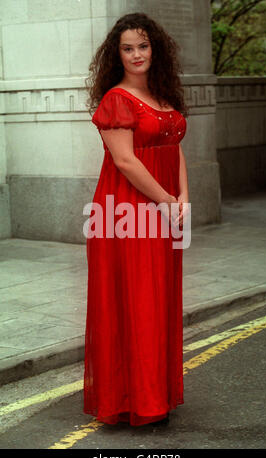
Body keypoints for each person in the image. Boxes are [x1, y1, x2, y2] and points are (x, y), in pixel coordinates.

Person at [84, 12, 190, 427]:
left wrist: (184, 199)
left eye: (143, 46)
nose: (136, 54)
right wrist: (166, 200)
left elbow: (175, 148)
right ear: (118, 54)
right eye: (127, 48)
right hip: (124, 214)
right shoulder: (116, 99)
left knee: (158, 301)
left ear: (155, 49)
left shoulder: (164, 97)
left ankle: (154, 395)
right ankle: (133, 401)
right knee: (136, 303)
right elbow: (126, 162)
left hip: (163, 208)